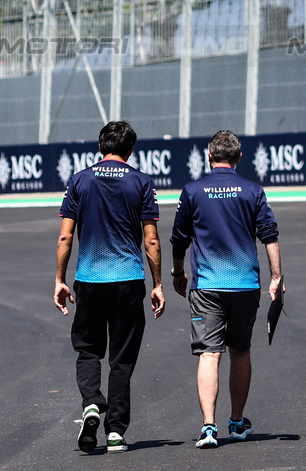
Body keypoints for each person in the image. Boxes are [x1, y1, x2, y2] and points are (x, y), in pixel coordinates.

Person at [54, 120, 165, 454]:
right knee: (121, 359)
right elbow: (152, 240)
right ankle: (115, 431)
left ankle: (91, 402)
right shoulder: (142, 182)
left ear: (100, 146)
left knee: (88, 349)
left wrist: (59, 279)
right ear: (131, 150)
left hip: (89, 280)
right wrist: (158, 283)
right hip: (129, 280)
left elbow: (65, 236)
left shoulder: (79, 180)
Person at [170, 130, 282, 449]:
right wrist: (277, 276)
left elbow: (179, 238)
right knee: (241, 351)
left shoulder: (193, 190)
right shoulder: (252, 190)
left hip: (207, 284)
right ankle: (236, 421)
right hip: (245, 283)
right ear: (239, 157)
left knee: (209, 353)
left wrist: (178, 272)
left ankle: (208, 427)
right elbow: (269, 235)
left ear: (209, 155)